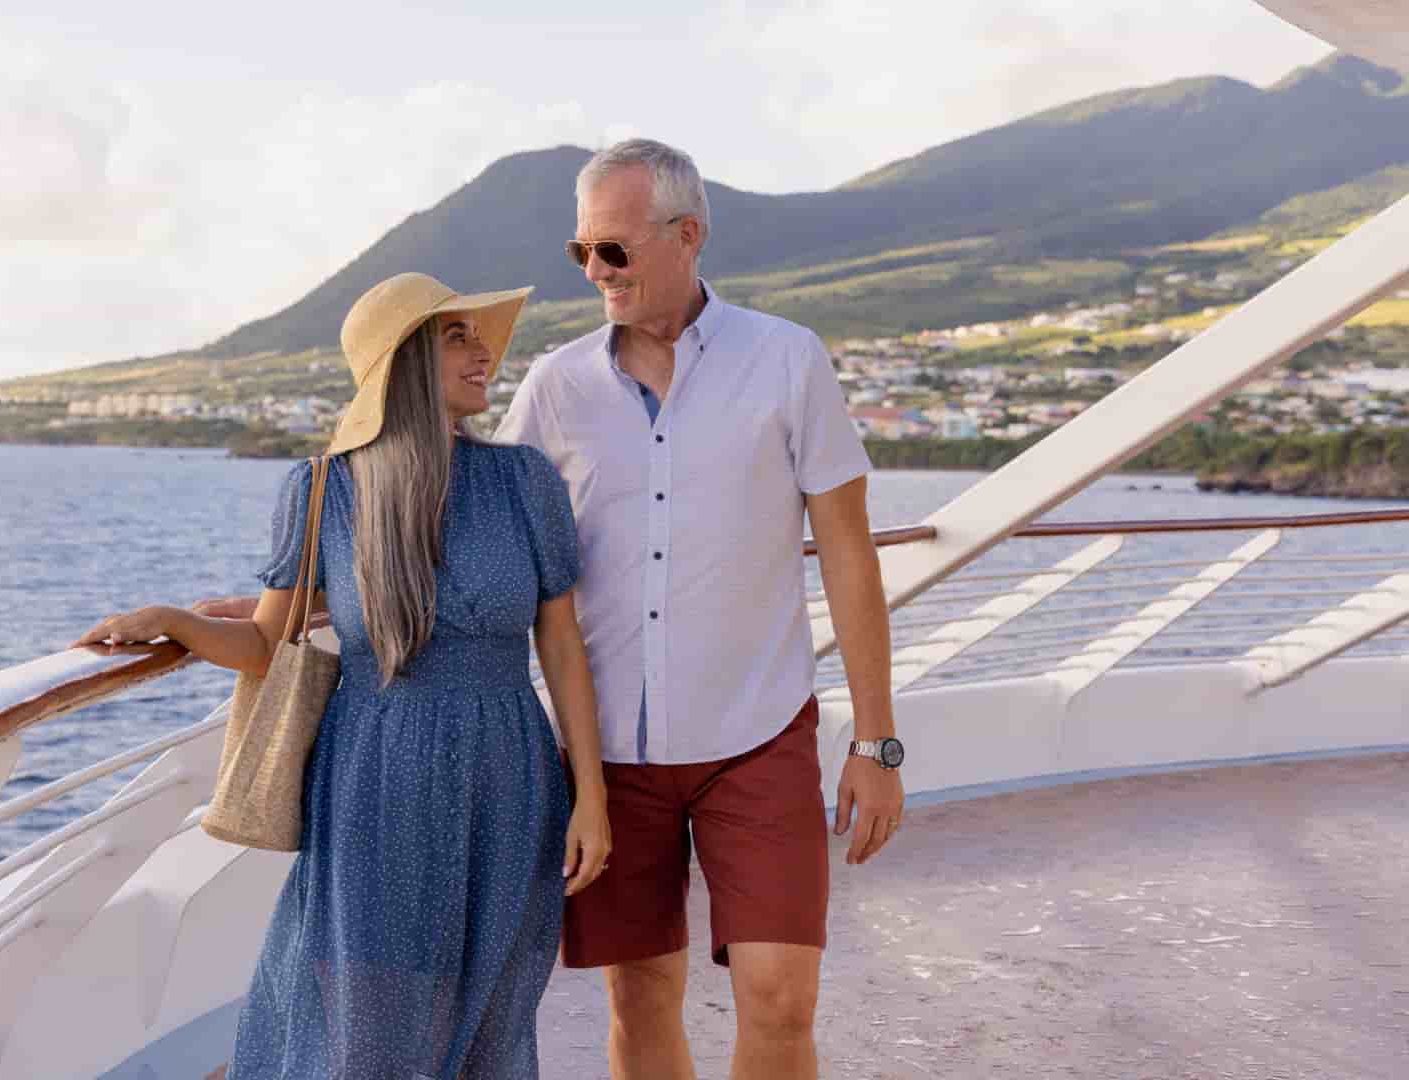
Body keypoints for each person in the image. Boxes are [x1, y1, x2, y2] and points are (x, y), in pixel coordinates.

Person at [73, 272, 611, 1079]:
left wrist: (591, 797)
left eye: (477, 335)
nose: (483, 354)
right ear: (403, 364)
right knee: (372, 1021)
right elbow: (266, 645)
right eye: (455, 337)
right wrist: (177, 624)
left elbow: (562, 646)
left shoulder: (525, 482)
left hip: (511, 776)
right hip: (374, 781)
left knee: (495, 1015)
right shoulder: (325, 488)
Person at [493, 139, 905, 1080]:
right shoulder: (557, 387)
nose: (596, 272)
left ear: (688, 236)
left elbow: (847, 548)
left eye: (615, 250)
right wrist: (298, 593)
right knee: (640, 997)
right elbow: (477, 529)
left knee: (780, 999)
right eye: (582, 253)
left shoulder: (787, 359)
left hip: (757, 739)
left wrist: (876, 743)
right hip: (608, 762)